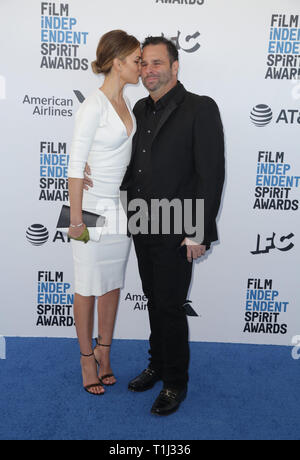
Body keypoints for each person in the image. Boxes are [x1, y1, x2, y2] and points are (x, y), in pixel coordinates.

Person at [85, 36, 225, 413]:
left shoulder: (201, 108)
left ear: (175, 67)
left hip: (179, 227)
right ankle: (158, 364)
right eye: (143, 63)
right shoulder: (139, 110)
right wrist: (90, 171)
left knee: (170, 305)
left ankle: (175, 382)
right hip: (141, 222)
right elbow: (129, 165)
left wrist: (199, 231)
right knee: (153, 301)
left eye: (157, 63)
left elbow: (210, 175)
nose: (148, 70)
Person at [68, 30, 141, 395]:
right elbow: (75, 168)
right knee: (86, 287)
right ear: (117, 62)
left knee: (111, 284)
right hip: (90, 211)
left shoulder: (127, 104)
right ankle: (85, 359)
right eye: (136, 60)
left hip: (119, 210)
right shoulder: (92, 106)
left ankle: (104, 351)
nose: (141, 66)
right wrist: (76, 220)